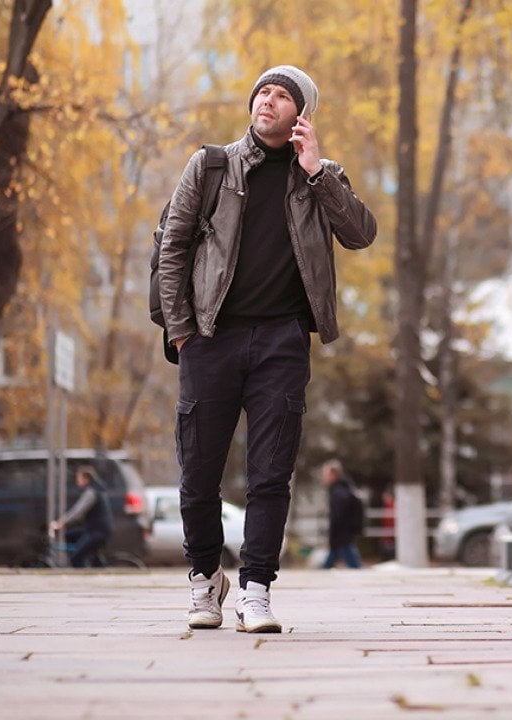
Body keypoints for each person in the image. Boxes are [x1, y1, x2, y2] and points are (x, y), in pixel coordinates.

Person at [157, 65, 377, 633]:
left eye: (283, 96)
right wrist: (182, 330)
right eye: (264, 92)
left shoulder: (319, 176)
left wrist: (317, 172)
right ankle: (206, 580)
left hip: (281, 341)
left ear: (300, 114)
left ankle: (256, 591)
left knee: (271, 475)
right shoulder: (210, 166)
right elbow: (173, 247)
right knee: (198, 475)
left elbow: (360, 233)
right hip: (209, 337)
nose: (269, 101)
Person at [49, 465, 113, 568]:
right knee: (67, 535)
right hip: (93, 529)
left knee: (76, 559)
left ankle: (82, 572)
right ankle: (87, 560)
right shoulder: (95, 489)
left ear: (86, 479)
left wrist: (61, 522)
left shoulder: (91, 492)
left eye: (78, 478)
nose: (77, 481)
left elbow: (78, 512)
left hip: (97, 531)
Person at [321, 460, 365, 569]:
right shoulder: (344, 488)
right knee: (332, 562)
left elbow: (337, 516)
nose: (324, 478)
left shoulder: (338, 492)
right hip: (343, 536)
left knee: (354, 565)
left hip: (341, 536)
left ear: (333, 474)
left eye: (326, 475)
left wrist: (333, 535)